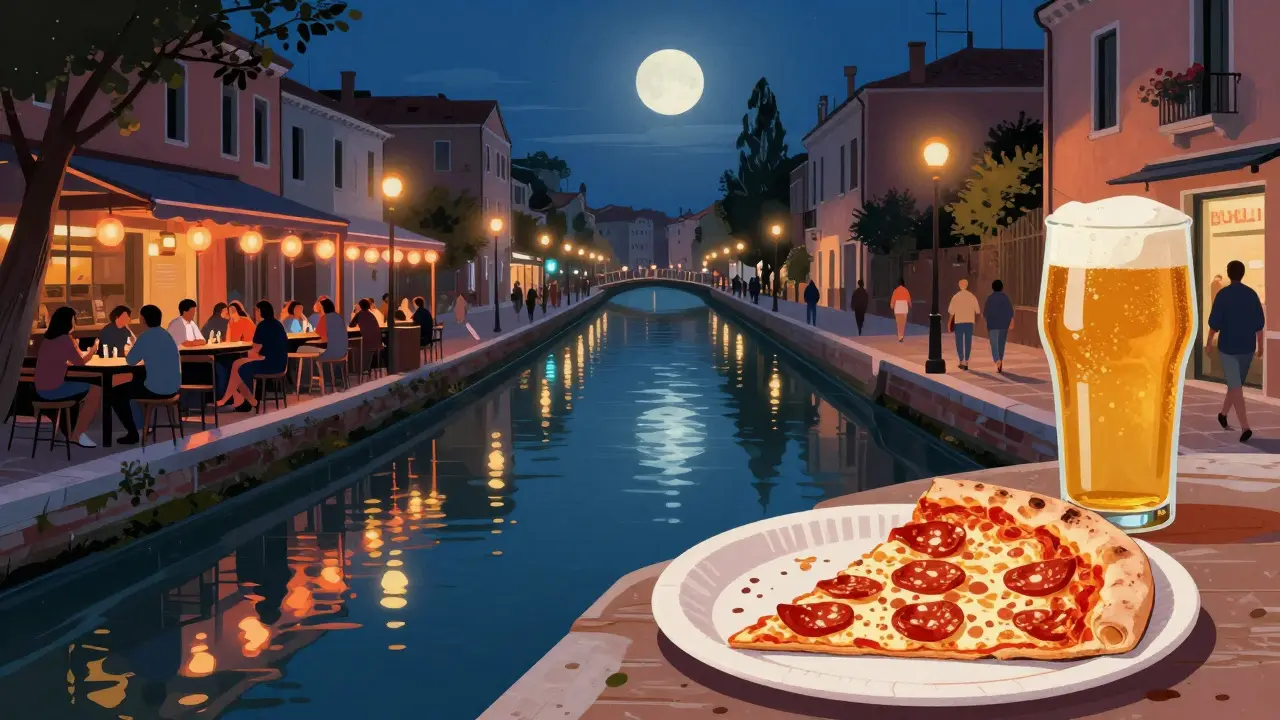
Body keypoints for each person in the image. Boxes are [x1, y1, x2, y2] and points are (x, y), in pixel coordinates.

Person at [1207, 259, 1266, 443]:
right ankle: (1245, 427)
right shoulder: (1251, 295)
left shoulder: (1223, 295)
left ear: (1229, 273)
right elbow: (1259, 324)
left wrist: (1209, 342)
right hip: (1246, 347)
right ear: (1242, 274)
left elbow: (1214, 323)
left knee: (1235, 386)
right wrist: (1260, 345)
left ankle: (1223, 415)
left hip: (1228, 347)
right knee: (1236, 386)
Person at [33, 307, 100, 447]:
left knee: (79, 391)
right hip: (53, 390)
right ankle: (76, 435)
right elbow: (81, 363)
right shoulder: (64, 339)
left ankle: (67, 431)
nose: (75, 323)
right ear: (68, 322)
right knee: (95, 390)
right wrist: (93, 349)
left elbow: (58, 360)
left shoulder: (48, 339)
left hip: (39, 389)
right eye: (73, 320)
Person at [118, 304, 183, 444]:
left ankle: (134, 432)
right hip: (174, 388)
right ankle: (142, 424)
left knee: (117, 393)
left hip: (156, 390)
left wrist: (131, 349)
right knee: (137, 380)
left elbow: (130, 360)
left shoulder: (145, 336)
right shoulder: (167, 335)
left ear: (143, 320)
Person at [219, 301, 289, 412]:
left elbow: (254, 350)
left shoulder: (262, 325)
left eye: (256, 310)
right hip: (280, 363)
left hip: (269, 364)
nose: (255, 313)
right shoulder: (277, 324)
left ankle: (245, 401)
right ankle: (247, 400)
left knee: (239, 368)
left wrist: (250, 357)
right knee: (236, 363)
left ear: (261, 311)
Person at [947, 279, 980, 370]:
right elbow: (977, 311)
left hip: (959, 322)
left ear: (959, 285)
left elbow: (951, 312)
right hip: (969, 322)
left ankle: (961, 360)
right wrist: (975, 321)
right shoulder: (972, 296)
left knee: (959, 341)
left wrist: (949, 323)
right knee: (968, 341)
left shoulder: (956, 297)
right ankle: (967, 361)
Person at [984, 279, 1015, 373]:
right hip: (1003, 325)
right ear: (1001, 287)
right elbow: (1010, 311)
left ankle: (997, 359)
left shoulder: (989, 298)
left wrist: (988, 321)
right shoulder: (1005, 298)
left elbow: (985, 312)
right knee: (1001, 344)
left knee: (994, 344)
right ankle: (1000, 361)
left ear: (993, 288)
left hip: (992, 325)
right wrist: (1011, 322)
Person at [354, 298, 385, 374]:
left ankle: (360, 369)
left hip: (367, 343)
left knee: (356, 346)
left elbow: (352, 325)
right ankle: (367, 368)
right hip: (377, 343)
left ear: (360, 306)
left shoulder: (360, 314)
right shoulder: (371, 315)